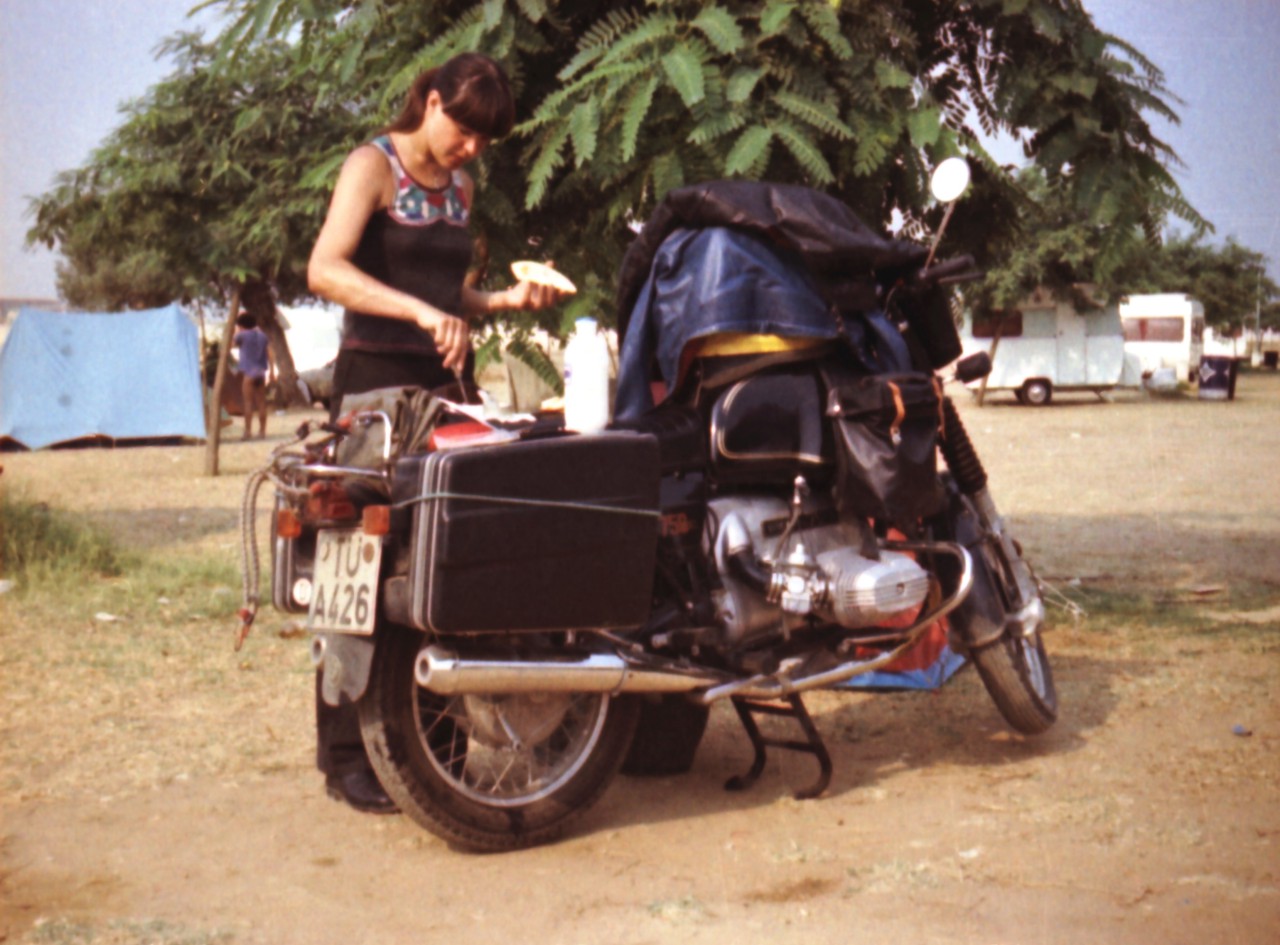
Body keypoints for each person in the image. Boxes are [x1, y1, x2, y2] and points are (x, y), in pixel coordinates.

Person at [306, 52, 563, 814]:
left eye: (487, 138)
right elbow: (325, 267)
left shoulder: (461, 188)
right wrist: (422, 315)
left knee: (441, 566)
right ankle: (345, 755)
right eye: (466, 129)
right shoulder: (372, 164)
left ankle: (431, 747)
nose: (473, 148)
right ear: (430, 101)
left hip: (443, 395)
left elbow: (445, 292)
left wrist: (505, 301)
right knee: (356, 569)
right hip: (373, 393)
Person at [231, 314, 275, 439]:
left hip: (249, 373)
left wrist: (235, 331)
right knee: (262, 403)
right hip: (261, 373)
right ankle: (262, 432)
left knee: (248, 403)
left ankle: (247, 432)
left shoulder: (241, 335)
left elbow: (231, 345)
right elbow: (270, 354)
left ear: (241, 325)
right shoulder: (262, 336)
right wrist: (271, 371)